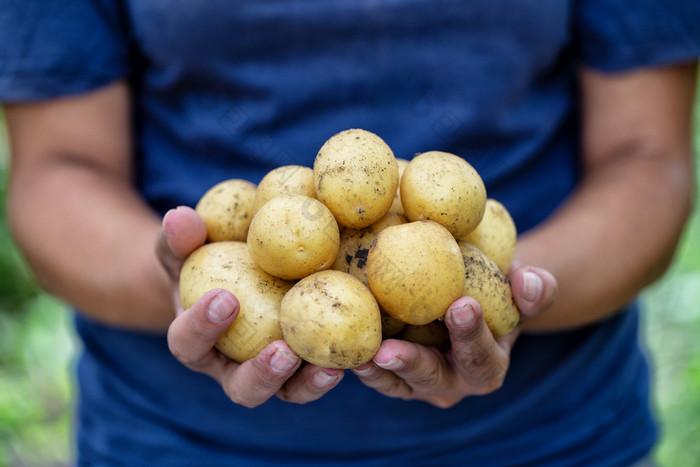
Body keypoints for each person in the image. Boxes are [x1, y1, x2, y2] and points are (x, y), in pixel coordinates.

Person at [1, 1, 698, 465]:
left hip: (545, 435)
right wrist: (191, 284)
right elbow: (57, 169)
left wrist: (505, 292)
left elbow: (649, 160)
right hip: (179, 439)